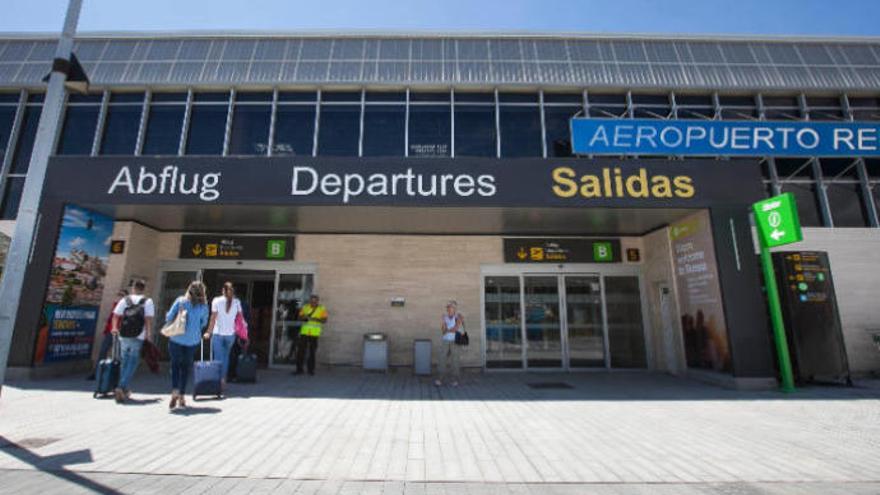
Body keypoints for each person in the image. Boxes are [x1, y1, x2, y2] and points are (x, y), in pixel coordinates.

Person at [164, 281, 209, 409]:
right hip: (193, 340)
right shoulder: (204, 306)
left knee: (175, 365)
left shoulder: (181, 301)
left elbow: (169, 317)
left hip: (177, 337)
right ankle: (182, 395)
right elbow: (203, 323)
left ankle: (174, 391)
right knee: (185, 367)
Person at [111, 280, 154, 403]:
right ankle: (121, 386)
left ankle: (123, 387)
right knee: (133, 362)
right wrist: (149, 333)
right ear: (144, 289)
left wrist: (114, 328)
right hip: (138, 335)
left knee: (124, 360)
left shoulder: (125, 300)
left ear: (133, 288)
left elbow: (116, 315)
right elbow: (148, 319)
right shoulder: (147, 301)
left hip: (124, 333)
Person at [205, 282, 243, 396]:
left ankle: (217, 382)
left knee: (217, 358)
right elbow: (240, 318)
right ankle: (222, 381)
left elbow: (213, 318)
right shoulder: (237, 302)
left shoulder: (216, 300)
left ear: (222, 290)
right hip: (230, 334)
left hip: (218, 333)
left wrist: (208, 332)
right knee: (225, 357)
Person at [86, 289, 127, 380]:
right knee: (103, 352)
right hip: (110, 331)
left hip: (119, 333)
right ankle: (97, 373)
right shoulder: (115, 305)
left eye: (122, 295)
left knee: (117, 354)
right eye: (119, 294)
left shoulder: (125, 307)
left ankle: (116, 375)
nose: (119, 296)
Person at [295, 294, 328, 376]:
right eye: (312, 300)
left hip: (314, 333)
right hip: (304, 332)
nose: (313, 302)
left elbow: (324, 320)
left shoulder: (321, 309)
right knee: (300, 352)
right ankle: (299, 370)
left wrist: (315, 319)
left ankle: (311, 370)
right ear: (310, 301)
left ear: (317, 301)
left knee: (312, 352)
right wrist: (304, 317)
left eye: (315, 301)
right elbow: (299, 317)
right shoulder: (305, 307)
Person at [435, 300, 464, 387]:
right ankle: (440, 379)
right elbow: (443, 331)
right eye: (447, 307)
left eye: (450, 307)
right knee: (442, 359)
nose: (448, 309)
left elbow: (456, 328)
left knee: (455, 360)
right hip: (445, 340)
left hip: (455, 341)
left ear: (454, 308)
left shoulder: (458, 317)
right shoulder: (445, 317)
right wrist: (444, 322)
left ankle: (455, 380)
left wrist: (448, 329)